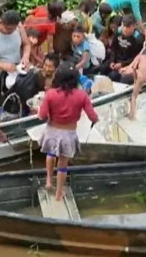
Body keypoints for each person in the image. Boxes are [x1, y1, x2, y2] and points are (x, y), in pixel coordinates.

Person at [38, 63, 99, 201]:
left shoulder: (50, 94)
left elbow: (41, 116)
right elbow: (92, 116)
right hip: (68, 134)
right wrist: (96, 120)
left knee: (50, 153)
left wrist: (40, 111)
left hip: (51, 130)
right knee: (62, 166)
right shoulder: (82, 95)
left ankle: (48, 180)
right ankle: (59, 193)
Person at [102, 14, 145, 83]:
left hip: (128, 63)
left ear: (133, 26)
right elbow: (113, 48)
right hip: (116, 60)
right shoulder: (118, 32)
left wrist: (122, 64)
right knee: (103, 68)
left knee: (113, 75)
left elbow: (136, 58)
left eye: (128, 27)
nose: (124, 29)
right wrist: (112, 61)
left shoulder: (138, 39)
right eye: (123, 26)